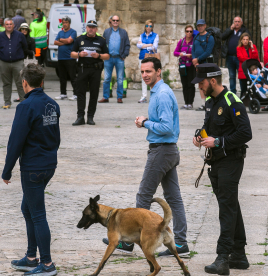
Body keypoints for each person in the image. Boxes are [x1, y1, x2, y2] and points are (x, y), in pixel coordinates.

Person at [104, 57, 189, 256]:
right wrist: (149, 121)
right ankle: (181, 244)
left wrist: (146, 123)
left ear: (158, 72)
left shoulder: (162, 94)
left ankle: (128, 242)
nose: (144, 75)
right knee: (174, 199)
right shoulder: (158, 92)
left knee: (143, 196)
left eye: (149, 71)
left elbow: (167, 128)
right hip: (167, 150)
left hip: (162, 151)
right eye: (142, 72)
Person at [191, 63, 252, 275]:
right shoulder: (210, 101)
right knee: (231, 205)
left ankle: (223, 257)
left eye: (201, 82)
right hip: (215, 162)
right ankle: (239, 255)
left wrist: (218, 142)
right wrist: (200, 136)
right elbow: (210, 127)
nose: (199, 86)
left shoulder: (232, 101)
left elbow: (245, 133)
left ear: (213, 81)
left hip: (231, 161)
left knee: (226, 209)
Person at [2, 63, 60, 276]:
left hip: (33, 169)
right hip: (48, 165)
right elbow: (57, 138)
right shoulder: (53, 105)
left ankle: (46, 264)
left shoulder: (25, 106)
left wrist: (7, 171)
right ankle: (30, 257)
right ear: (42, 82)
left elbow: (15, 142)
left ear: (24, 82)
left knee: (37, 214)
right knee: (28, 210)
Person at [70, 20, 109, 126]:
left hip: (95, 70)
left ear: (96, 29)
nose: (91, 29)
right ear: (86, 28)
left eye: (93, 27)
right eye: (89, 27)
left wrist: (99, 56)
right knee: (80, 93)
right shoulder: (79, 39)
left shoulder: (101, 40)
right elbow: (72, 54)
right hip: (82, 69)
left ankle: (90, 117)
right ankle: (80, 117)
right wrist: (79, 54)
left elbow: (107, 55)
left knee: (94, 94)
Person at [0, 18, 27, 109]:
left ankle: (23, 102)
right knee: (6, 83)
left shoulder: (20, 35)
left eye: (10, 24)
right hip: (4, 63)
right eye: (7, 24)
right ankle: (7, 102)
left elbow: (25, 47)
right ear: (4, 26)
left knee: (20, 83)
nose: (9, 26)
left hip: (18, 62)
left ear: (13, 25)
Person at [99, 14, 130, 103]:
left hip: (119, 58)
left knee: (120, 79)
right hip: (108, 59)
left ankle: (119, 97)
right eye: (114, 20)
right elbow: (103, 44)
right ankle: (105, 97)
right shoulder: (107, 32)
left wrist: (124, 55)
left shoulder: (123, 32)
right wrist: (104, 54)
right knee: (106, 79)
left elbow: (127, 45)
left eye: (117, 20)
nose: (115, 22)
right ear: (111, 22)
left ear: (119, 22)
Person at [222, 16, 250, 95]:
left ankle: (243, 94)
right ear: (233, 23)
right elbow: (223, 37)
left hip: (240, 58)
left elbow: (248, 40)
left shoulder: (244, 31)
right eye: (235, 21)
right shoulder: (230, 30)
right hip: (230, 57)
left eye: (238, 21)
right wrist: (230, 29)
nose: (237, 23)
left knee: (242, 76)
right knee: (232, 76)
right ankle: (233, 93)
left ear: (241, 23)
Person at [192, 19, 215, 111]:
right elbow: (193, 49)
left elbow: (208, 51)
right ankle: (203, 103)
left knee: (207, 83)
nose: (200, 27)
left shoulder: (210, 37)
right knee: (200, 83)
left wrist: (197, 59)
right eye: (198, 26)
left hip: (206, 63)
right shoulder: (196, 37)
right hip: (198, 64)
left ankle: (209, 102)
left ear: (205, 26)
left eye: (201, 25)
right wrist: (194, 60)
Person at [54, 16, 77, 101]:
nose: (64, 24)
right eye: (63, 23)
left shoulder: (73, 32)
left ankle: (76, 94)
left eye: (66, 22)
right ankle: (63, 94)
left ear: (69, 23)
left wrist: (61, 40)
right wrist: (64, 41)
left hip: (70, 58)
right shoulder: (60, 32)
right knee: (62, 77)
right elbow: (55, 42)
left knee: (72, 77)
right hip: (61, 58)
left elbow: (69, 41)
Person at [137, 19, 159, 103]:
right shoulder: (142, 35)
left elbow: (154, 47)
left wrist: (144, 46)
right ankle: (144, 96)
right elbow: (138, 45)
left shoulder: (155, 35)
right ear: (145, 26)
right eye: (147, 26)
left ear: (152, 27)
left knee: (152, 77)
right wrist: (149, 45)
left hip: (151, 58)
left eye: (150, 26)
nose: (148, 27)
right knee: (143, 77)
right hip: (142, 58)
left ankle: (153, 96)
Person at [13, 23, 36, 103]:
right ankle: (21, 96)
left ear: (28, 30)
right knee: (20, 80)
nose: (24, 30)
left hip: (27, 62)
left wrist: (24, 50)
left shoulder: (31, 40)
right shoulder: (16, 39)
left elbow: (33, 52)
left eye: (25, 29)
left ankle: (29, 95)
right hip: (18, 61)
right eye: (22, 29)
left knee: (28, 79)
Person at [174, 25, 195, 110]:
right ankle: (186, 102)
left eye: (190, 31)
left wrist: (192, 55)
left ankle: (190, 103)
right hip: (183, 66)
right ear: (185, 32)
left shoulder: (194, 42)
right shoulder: (181, 41)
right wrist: (180, 54)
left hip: (191, 65)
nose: (189, 33)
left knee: (191, 84)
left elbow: (197, 53)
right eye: (187, 31)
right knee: (184, 84)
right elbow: (175, 52)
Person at [236, 33, 260, 98]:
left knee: (254, 87)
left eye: (247, 39)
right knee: (243, 88)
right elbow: (241, 58)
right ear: (241, 40)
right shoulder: (239, 48)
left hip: (252, 70)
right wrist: (251, 60)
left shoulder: (253, 47)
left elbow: (255, 57)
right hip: (243, 70)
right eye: (244, 39)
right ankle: (243, 102)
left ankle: (254, 100)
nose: (245, 41)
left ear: (249, 40)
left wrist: (252, 47)